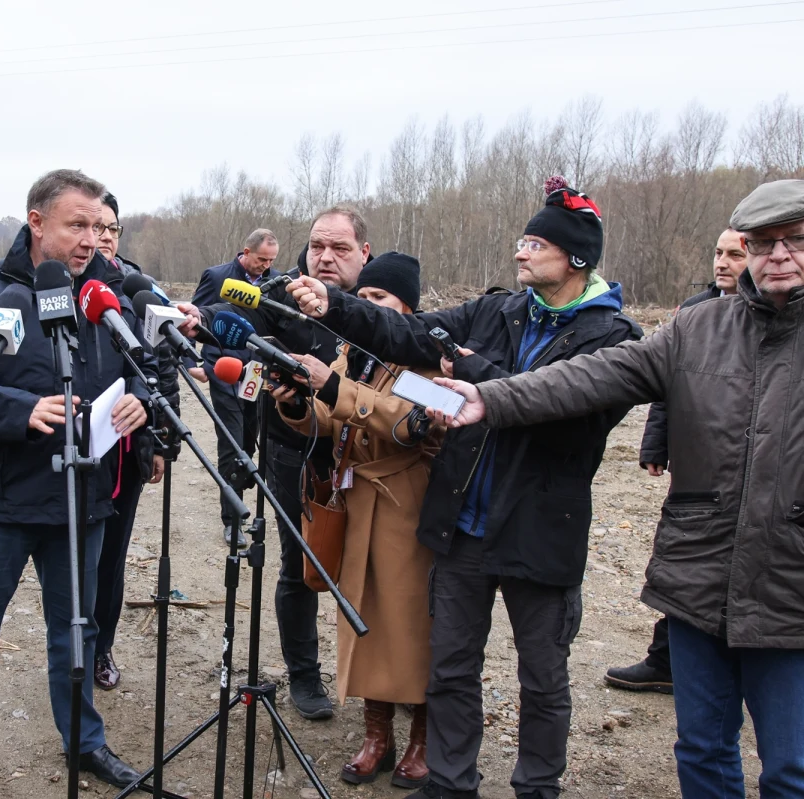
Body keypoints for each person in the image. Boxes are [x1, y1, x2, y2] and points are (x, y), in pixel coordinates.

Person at [431, 178, 804, 799]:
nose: (779, 256)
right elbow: (590, 378)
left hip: (792, 588)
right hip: (699, 578)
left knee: (790, 769)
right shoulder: (697, 327)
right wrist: (489, 396)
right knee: (704, 752)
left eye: (794, 239)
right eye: (762, 243)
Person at [288, 177, 642, 799]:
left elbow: (570, 420)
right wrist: (333, 304)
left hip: (540, 530)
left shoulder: (612, 337)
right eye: (521, 239)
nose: (520, 251)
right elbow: (410, 334)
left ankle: (537, 788)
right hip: (463, 527)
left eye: (535, 242)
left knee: (542, 679)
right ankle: (450, 784)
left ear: (576, 258)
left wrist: (475, 373)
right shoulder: (496, 310)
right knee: (451, 669)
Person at [0, 170, 154, 799]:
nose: (89, 239)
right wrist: (18, 409)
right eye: (76, 224)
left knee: (76, 629)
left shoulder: (107, 296)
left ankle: (85, 742)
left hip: (84, 497)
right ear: (36, 221)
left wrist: (139, 404)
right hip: (0, 498)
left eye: (97, 226)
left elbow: (142, 369)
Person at [178, 205, 373, 721]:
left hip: (372, 459)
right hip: (292, 454)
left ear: (364, 253)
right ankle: (305, 679)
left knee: (374, 571)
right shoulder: (278, 296)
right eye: (317, 247)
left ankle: (381, 685)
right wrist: (206, 336)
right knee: (297, 564)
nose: (325, 258)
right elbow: (232, 338)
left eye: (340, 249)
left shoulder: (377, 304)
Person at [272, 254, 438, 789]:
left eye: (379, 301)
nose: (366, 310)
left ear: (406, 308)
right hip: (355, 499)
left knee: (410, 624)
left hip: (405, 504)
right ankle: (377, 736)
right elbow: (328, 417)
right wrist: (299, 400)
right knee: (360, 617)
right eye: (361, 300)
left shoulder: (425, 358)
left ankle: (423, 739)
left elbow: (411, 424)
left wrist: (333, 389)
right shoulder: (351, 351)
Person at [607, 227, 749, 695]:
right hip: (699, 471)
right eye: (717, 252)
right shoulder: (695, 316)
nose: (722, 262)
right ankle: (666, 660)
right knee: (688, 568)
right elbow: (665, 392)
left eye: (735, 254)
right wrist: (654, 445)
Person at [91, 192, 179, 691]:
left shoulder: (140, 289)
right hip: (76, 451)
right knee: (74, 559)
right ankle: (72, 647)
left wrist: (162, 443)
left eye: (112, 228)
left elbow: (163, 368)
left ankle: (101, 648)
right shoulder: (64, 286)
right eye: (95, 227)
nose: (104, 237)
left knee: (113, 557)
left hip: (127, 452)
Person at [190, 229, 281, 547]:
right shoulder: (216, 277)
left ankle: (241, 491)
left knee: (248, 442)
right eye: (261, 259)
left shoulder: (276, 282)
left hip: (257, 375)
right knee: (231, 444)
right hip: (223, 371)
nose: (266, 266)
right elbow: (195, 320)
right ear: (246, 252)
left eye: (271, 261)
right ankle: (232, 521)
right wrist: (196, 362)